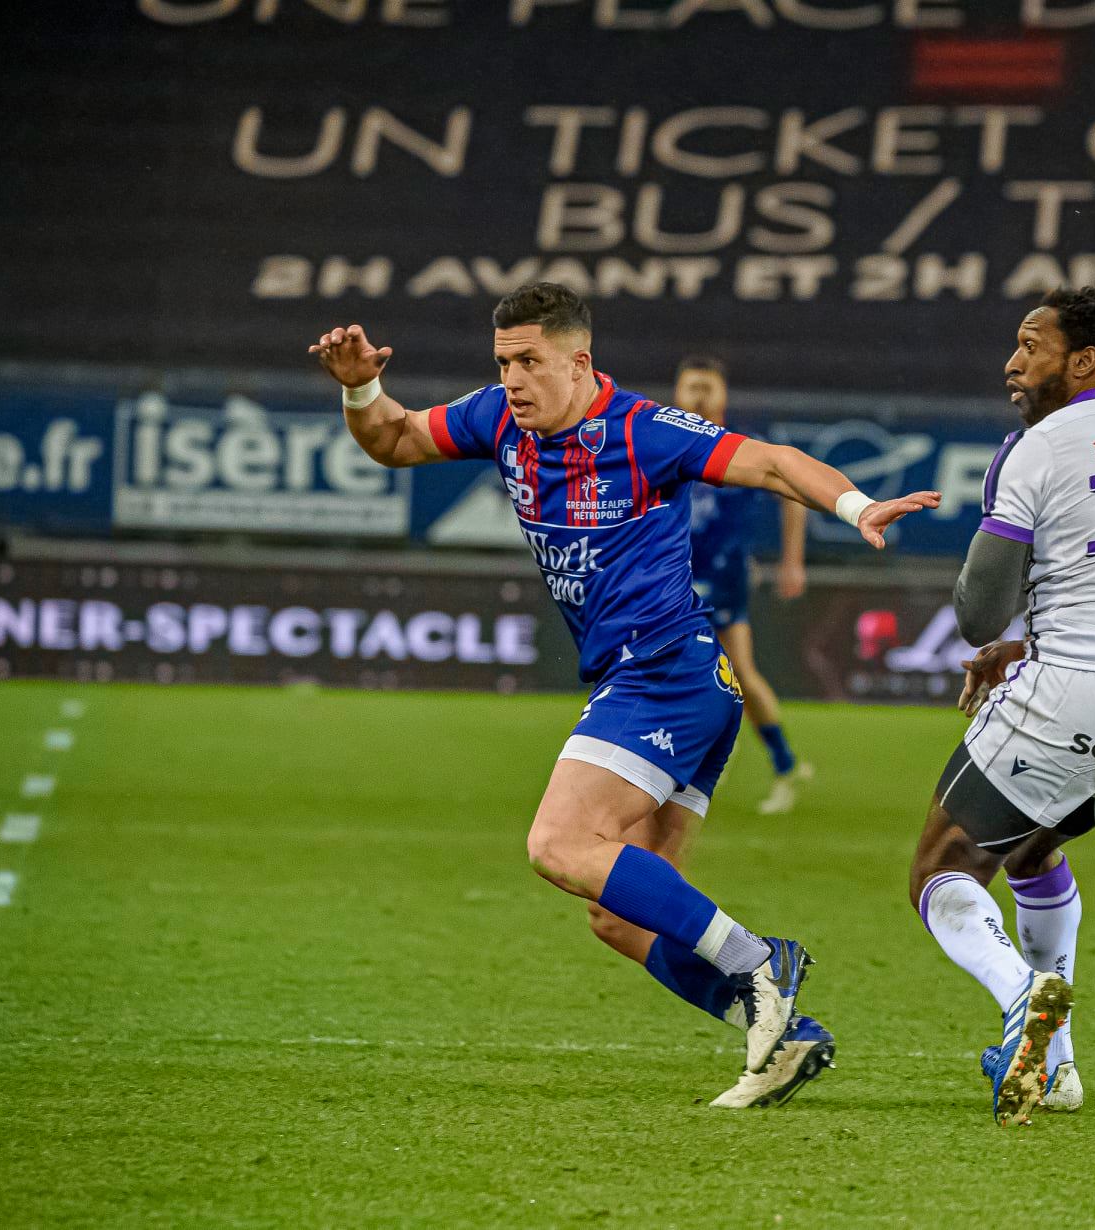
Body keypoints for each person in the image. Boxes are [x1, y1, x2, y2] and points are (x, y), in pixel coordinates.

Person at [308, 283, 938, 1108]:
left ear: (580, 362)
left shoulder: (644, 430)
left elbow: (773, 463)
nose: (513, 381)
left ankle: (760, 962)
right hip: (678, 686)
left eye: (529, 362)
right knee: (621, 915)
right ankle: (780, 1029)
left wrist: (856, 506)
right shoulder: (498, 419)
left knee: (558, 843)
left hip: (664, 673)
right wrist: (361, 387)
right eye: (502, 363)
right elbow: (393, 439)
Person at [906, 287, 1095, 1125]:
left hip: (1070, 696)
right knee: (1032, 853)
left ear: (1083, 361)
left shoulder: (1033, 448)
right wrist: (1031, 647)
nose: (1012, 363)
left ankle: (1022, 997)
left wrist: (1012, 637)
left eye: (1030, 345)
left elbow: (977, 614)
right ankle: (1061, 1070)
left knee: (943, 868)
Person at [673, 356, 815, 816]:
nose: (699, 397)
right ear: (676, 393)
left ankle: (781, 763)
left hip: (723, 575)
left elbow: (795, 494)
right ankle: (696, 760)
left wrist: (792, 560)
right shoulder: (662, 440)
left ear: (723, 396)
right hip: (670, 576)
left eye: (707, 387)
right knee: (674, 670)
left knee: (738, 673)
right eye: (691, 387)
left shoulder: (739, 447)